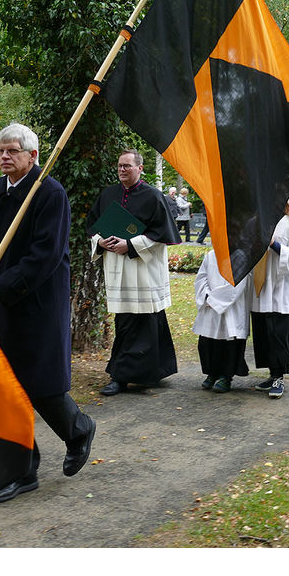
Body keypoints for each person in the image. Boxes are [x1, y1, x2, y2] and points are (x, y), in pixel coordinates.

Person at [0, 122, 95, 504]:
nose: (4, 157)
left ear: (33, 155)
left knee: (41, 386)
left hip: (35, 303)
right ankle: (22, 470)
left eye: (12, 151)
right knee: (5, 388)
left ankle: (78, 430)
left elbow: (46, 257)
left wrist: (1, 288)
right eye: (1, 151)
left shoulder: (49, 194)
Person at [87, 149, 181, 396]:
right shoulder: (109, 195)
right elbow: (93, 227)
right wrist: (100, 242)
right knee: (126, 322)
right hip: (118, 269)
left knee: (148, 320)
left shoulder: (153, 196)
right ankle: (134, 373)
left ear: (140, 168)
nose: (122, 170)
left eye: (127, 166)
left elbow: (161, 235)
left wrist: (129, 245)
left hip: (143, 270)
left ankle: (127, 375)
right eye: (119, 166)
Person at [251, 203, 289, 399]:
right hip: (261, 285)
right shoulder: (257, 223)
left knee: (277, 333)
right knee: (264, 333)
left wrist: (274, 244)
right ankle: (271, 373)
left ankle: (279, 376)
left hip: (280, 286)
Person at [193, 249, 252, 393]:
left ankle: (226, 376)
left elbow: (238, 284)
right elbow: (201, 278)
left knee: (228, 344)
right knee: (208, 342)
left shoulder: (241, 257)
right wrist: (206, 296)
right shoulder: (211, 255)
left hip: (231, 309)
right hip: (209, 308)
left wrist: (216, 299)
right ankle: (212, 373)